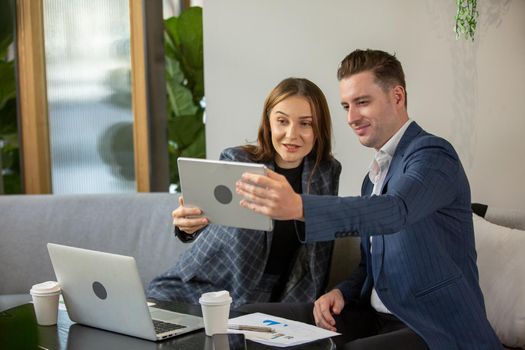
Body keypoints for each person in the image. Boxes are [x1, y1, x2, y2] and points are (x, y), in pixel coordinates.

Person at [235, 50, 502, 349]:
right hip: (373, 318)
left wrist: (299, 206)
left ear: (397, 96)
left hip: (434, 325)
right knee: (248, 321)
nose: (351, 117)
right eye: (346, 106)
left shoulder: (432, 155)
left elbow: (396, 210)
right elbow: (370, 267)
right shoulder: (372, 179)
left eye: (362, 102)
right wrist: (341, 292)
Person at [147, 77, 342, 308]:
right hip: (206, 286)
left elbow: (320, 249)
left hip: (278, 296)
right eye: (282, 121)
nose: (291, 134)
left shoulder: (326, 172)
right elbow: (207, 221)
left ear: (319, 128)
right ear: (268, 123)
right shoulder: (237, 160)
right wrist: (185, 227)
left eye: (306, 123)